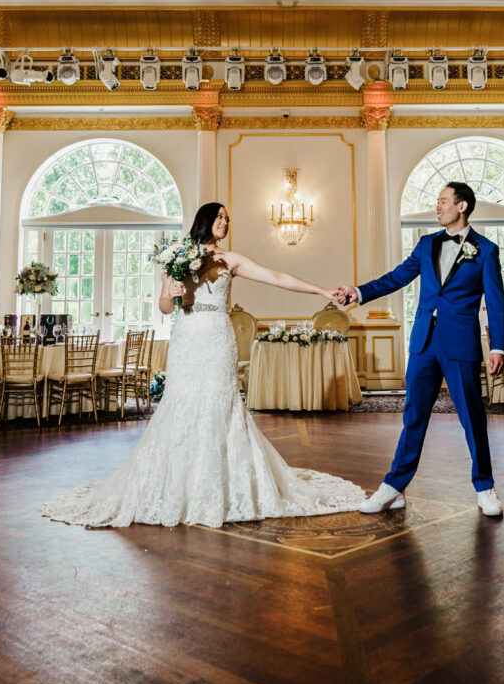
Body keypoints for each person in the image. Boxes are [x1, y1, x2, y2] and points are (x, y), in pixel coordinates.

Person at [43, 202, 365, 528]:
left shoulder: (230, 259)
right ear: (205, 220)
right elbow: (166, 307)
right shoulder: (176, 256)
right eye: (220, 216)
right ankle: (176, 484)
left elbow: (276, 276)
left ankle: (225, 485)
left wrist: (321, 290)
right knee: (182, 403)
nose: (225, 221)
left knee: (219, 402)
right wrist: (170, 291)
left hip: (216, 336)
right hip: (187, 335)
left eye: (228, 217)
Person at [336, 182, 504, 518]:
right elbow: (398, 277)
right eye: (437, 202)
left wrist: (498, 346)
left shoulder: (485, 250)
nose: (437, 207)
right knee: (413, 414)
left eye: (443, 201)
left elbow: (497, 301)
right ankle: (394, 487)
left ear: (462, 206)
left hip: (461, 344)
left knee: (472, 418)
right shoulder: (427, 244)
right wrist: (358, 292)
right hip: (424, 344)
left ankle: (485, 488)